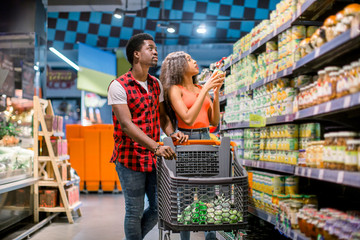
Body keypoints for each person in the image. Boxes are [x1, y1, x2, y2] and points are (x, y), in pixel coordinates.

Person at [107, 33, 188, 240]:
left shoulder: (155, 84)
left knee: (160, 208)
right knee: (133, 211)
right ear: (136, 55)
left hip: (153, 157)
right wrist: (156, 146)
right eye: (150, 48)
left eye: (155, 48)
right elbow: (126, 125)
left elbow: (163, 117)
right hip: (129, 158)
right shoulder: (118, 86)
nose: (155, 51)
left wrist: (172, 133)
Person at [160, 51, 225, 240]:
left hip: (206, 139)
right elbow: (187, 119)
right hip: (186, 142)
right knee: (186, 196)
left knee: (208, 193)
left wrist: (215, 93)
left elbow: (213, 122)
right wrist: (205, 90)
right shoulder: (175, 89)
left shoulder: (199, 87)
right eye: (189, 59)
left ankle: (210, 236)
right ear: (178, 65)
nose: (195, 61)